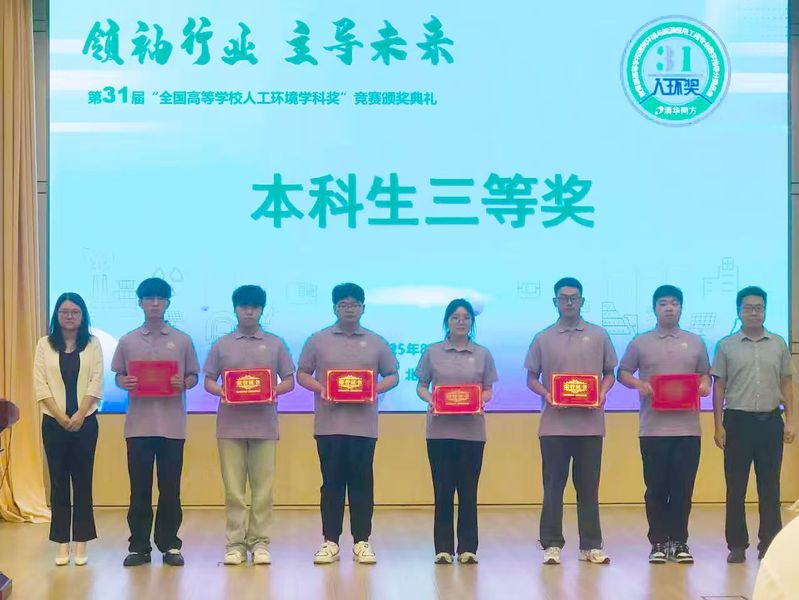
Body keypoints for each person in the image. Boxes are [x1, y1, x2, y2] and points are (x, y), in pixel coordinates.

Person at [297, 283, 398, 565]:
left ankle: (362, 541)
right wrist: (321, 388)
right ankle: (330, 541)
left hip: (364, 426)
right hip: (328, 425)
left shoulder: (376, 341)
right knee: (331, 485)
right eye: (343, 304)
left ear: (363, 308)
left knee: (362, 484)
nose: (349, 309)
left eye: (354, 304)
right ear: (334, 308)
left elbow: (392, 375)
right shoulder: (318, 340)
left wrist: (374, 389)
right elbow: (302, 373)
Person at [524, 277, 617, 565]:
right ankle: (551, 544)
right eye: (563, 297)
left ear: (582, 301)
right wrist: (547, 394)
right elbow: (531, 378)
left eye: (574, 297)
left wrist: (602, 392)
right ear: (555, 302)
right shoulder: (543, 337)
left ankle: (591, 545)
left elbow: (610, 373)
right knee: (553, 487)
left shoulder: (599, 335)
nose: (568, 302)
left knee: (588, 487)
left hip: (590, 426)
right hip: (554, 426)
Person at [617, 285, 711, 564]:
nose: (669, 308)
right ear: (654, 308)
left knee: (683, 489)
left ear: (681, 308)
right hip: (653, 430)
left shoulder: (695, 342)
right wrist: (639, 385)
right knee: (656, 488)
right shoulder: (640, 342)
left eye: (674, 303)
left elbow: (705, 374)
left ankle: (679, 541)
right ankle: (658, 541)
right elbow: (623, 372)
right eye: (663, 303)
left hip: (688, 430)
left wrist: (705, 385)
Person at [203, 285, 295, 566]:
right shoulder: (222, 344)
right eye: (244, 306)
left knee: (263, 489)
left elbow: (289, 381)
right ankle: (235, 544)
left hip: (264, 425)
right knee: (234, 490)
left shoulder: (275, 343)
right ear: (235, 309)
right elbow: (208, 381)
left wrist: (272, 390)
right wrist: (224, 391)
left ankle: (260, 542)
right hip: (229, 427)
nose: (249, 311)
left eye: (254, 306)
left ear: (262, 310)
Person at [111, 277, 199, 567]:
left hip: (172, 427)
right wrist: (123, 381)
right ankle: (139, 546)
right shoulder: (128, 340)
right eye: (149, 298)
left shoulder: (182, 340)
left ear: (168, 303)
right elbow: (119, 375)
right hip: (138, 427)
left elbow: (193, 376)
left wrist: (184, 382)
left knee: (170, 489)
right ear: (140, 303)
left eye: (161, 299)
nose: (155, 303)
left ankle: (170, 544)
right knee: (139, 489)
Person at [711, 286, 794, 563]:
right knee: (736, 486)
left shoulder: (778, 343)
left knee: (770, 486)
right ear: (739, 311)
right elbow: (719, 387)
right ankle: (737, 545)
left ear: (765, 310)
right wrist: (718, 425)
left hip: (770, 421)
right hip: (737, 422)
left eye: (759, 307)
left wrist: (791, 421)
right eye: (748, 308)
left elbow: (787, 383)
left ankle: (769, 543)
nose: (754, 312)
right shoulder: (726, 345)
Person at [415, 299, 498, 565]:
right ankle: (443, 548)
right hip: (439, 432)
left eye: (466, 317)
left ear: (472, 322)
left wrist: (480, 400)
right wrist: (431, 400)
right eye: (455, 317)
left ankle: (468, 548)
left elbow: (488, 389)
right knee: (442, 491)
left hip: (472, 432)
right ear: (447, 321)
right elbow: (421, 385)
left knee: (468, 491)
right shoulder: (432, 352)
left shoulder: (482, 354)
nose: (461, 322)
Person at [34, 293, 103, 566]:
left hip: (86, 422)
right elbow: (40, 384)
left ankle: (82, 541)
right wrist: (61, 417)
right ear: (57, 315)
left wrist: (80, 414)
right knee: (59, 483)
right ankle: (62, 542)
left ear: (83, 315)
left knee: (83, 482)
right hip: (54, 423)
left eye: (75, 311)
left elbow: (96, 381)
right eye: (64, 311)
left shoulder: (93, 344)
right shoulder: (44, 344)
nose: (69, 316)